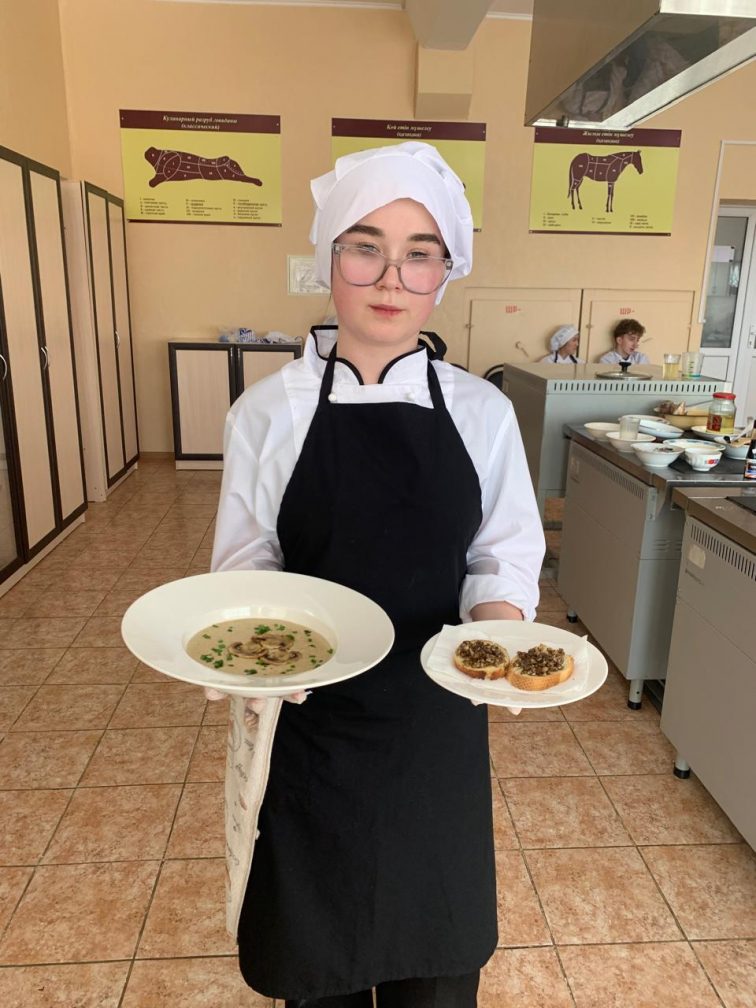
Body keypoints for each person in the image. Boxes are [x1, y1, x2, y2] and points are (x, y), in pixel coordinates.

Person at [208, 141, 545, 1008]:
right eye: (366, 248)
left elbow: (502, 554)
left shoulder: (482, 412)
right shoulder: (266, 413)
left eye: (419, 254)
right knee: (315, 967)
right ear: (329, 259)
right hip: (309, 731)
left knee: (435, 971)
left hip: (434, 729)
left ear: (444, 274)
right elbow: (246, 569)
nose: (391, 278)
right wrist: (254, 665)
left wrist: (498, 636)